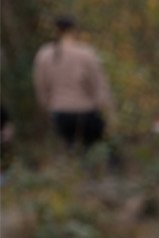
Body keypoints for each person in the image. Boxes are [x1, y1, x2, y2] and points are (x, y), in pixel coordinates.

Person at [32, 14, 113, 153]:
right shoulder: (85, 53)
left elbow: (41, 88)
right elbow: (98, 85)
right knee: (103, 151)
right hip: (86, 112)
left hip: (60, 113)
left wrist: (48, 108)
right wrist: (107, 110)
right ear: (73, 30)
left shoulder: (43, 55)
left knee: (73, 153)